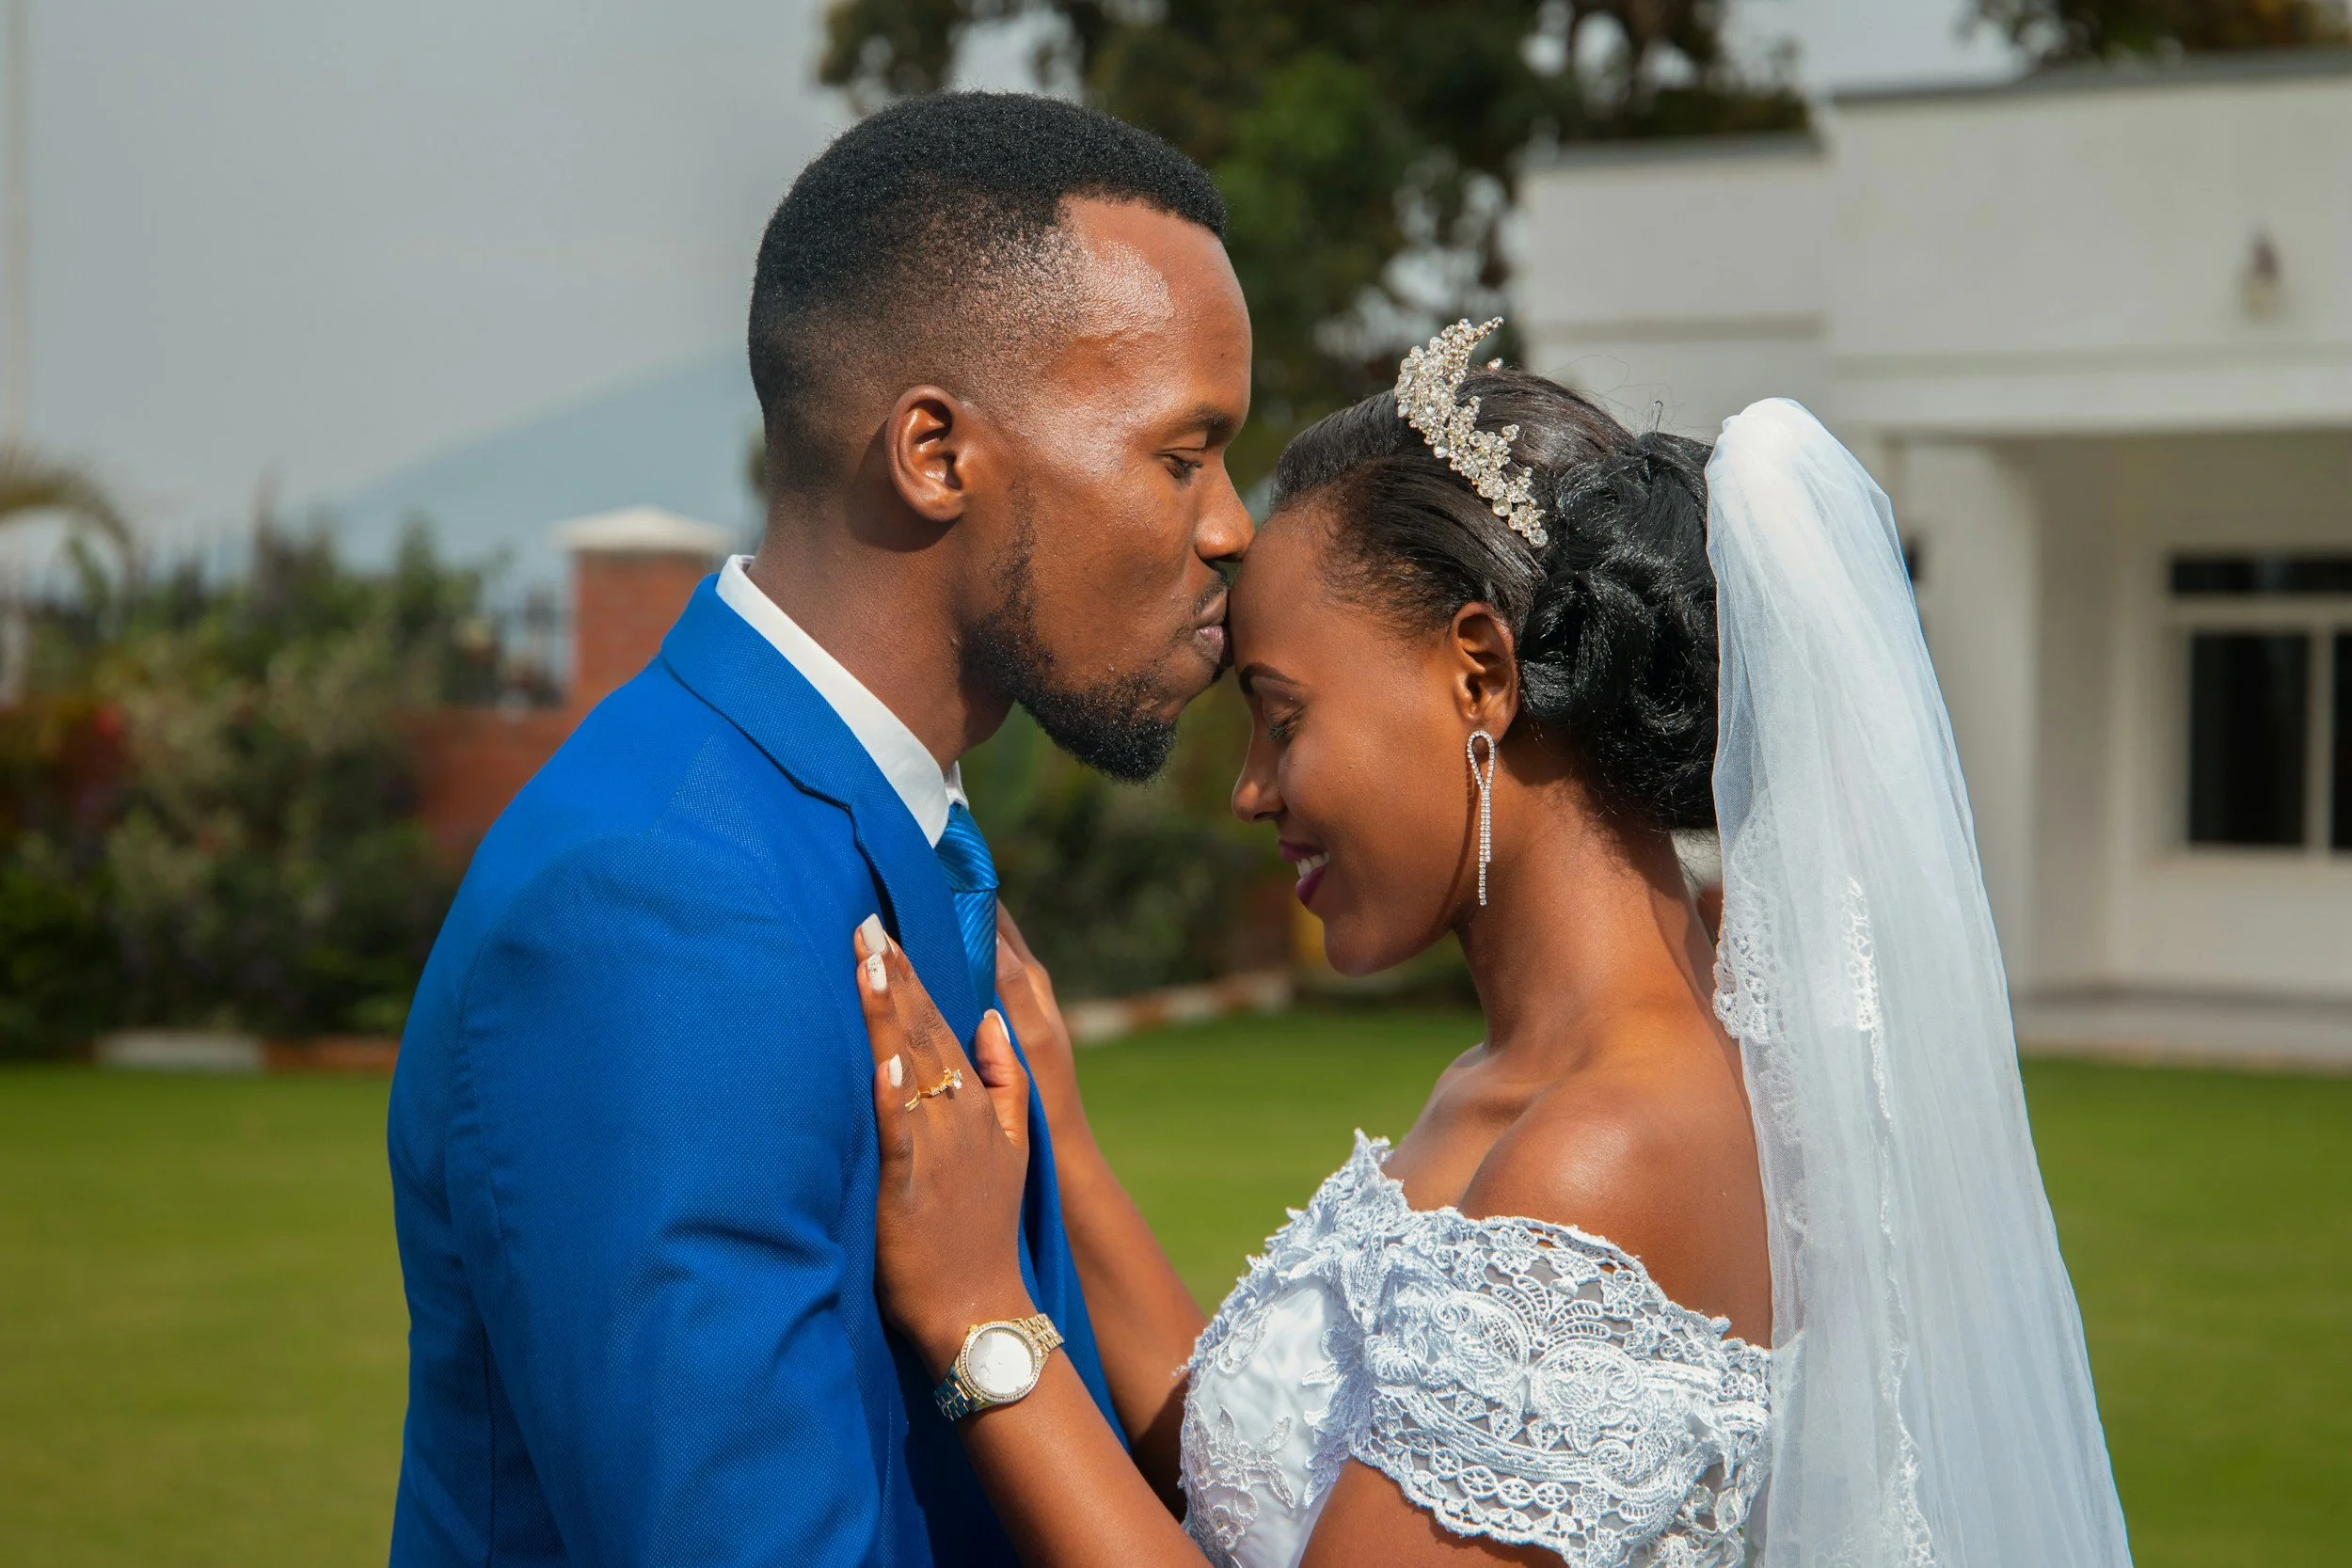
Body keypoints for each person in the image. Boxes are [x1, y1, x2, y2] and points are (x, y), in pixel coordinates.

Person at [853, 324, 2137, 1566]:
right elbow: (1274, 1482)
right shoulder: (1518, 1083)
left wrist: (983, 1322)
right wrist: (1062, 1153)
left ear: (1480, 674)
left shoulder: (1609, 1152)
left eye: (1281, 717)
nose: (1252, 790)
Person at [385, 92, 1251, 1566]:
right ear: (933, 451)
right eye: (1185, 454)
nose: (1232, 524)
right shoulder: (655, 903)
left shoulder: (874, 827)